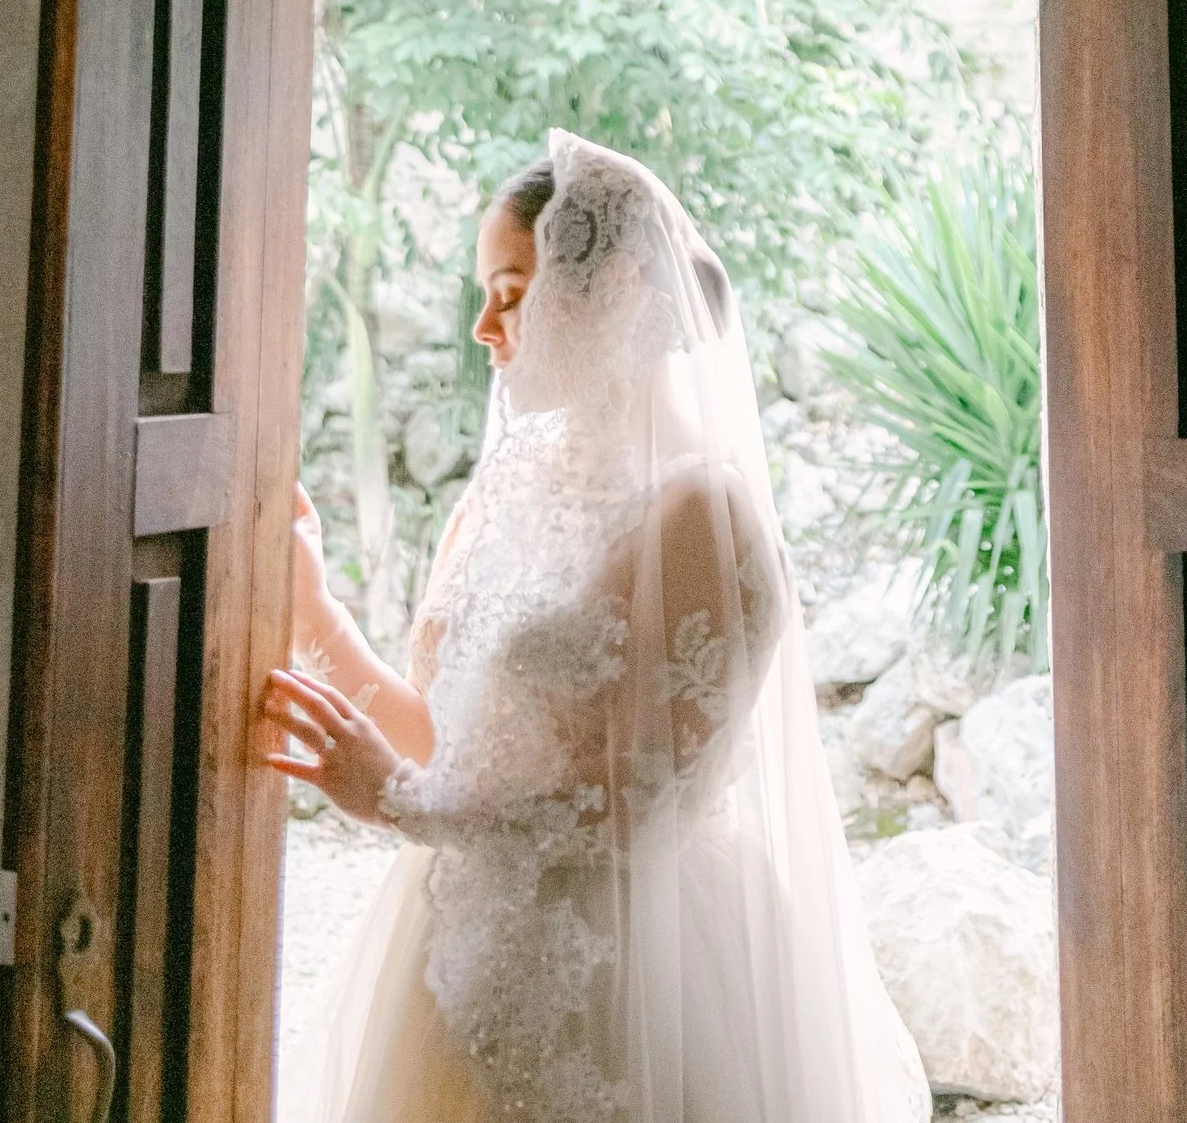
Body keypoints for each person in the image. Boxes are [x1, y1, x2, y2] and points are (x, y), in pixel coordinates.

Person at [262, 132, 928, 1123]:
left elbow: (638, 811)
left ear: (614, 288)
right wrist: (311, 609)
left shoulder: (701, 512)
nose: (485, 328)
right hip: (457, 948)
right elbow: (451, 745)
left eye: (511, 290)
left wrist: (400, 806)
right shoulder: (503, 489)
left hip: (623, 979)